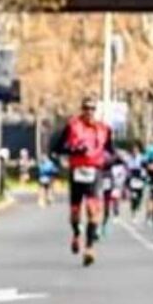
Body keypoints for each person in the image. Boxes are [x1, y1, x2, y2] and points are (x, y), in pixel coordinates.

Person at [50, 97, 113, 265]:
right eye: (86, 108)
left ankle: (90, 248)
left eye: (92, 109)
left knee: (93, 210)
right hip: (77, 170)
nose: (89, 112)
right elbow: (57, 147)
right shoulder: (72, 126)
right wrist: (73, 149)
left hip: (95, 171)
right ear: (81, 109)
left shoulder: (104, 129)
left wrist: (110, 161)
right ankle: (76, 233)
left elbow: (110, 150)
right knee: (75, 211)